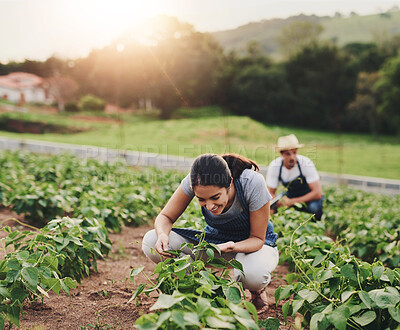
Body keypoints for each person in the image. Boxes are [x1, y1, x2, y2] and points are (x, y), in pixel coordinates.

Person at [142, 153, 279, 310]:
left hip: (254, 245)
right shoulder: (195, 181)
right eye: (201, 199)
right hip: (216, 242)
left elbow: (257, 238)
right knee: (151, 241)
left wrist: (231, 246)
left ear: (229, 185)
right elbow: (165, 216)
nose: (209, 206)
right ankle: (197, 286)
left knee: (252, 275)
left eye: (215, 197)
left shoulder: (252, 182)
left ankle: (257, 291)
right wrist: (162, 235)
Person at [266, 134, 324, 220]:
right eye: (288, 154)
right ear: (281, 154)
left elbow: (317, 193)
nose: (292, 157)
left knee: (314, 208)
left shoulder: (306, 164)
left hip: (310, 198)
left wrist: (292, 202)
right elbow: (271, 192)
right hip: (290, 196)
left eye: (294, 152)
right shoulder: (275, 166)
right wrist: (278, 203)